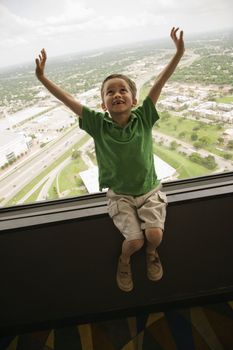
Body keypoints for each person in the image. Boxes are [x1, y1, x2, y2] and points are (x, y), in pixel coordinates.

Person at [35, 27, 185, 292]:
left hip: (150, 190)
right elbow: (68, 100)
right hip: (121, 195)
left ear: (134, 99)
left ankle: (153, 255)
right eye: (110, 92)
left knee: (154, 237)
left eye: (123, 90)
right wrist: (42, 78)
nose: (117, 94)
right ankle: (124, 260)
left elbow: (160, 82)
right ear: (103, 104)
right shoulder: (97, 125)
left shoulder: (144, 118)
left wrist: (178, 53)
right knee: (134, 241)